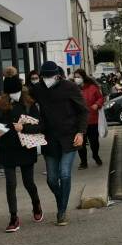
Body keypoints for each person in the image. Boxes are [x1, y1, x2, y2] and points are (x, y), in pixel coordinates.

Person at [28, 61, 88, 226]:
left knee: (65, 174)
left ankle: (61, 211)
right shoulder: (38, 89)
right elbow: (24, 98)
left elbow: (83, 111)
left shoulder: (70, 87)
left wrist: (81, 132)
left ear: (57, 75)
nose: (46, 79)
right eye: (44, 76)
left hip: (70, 138)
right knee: (52, 179)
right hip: (50, 140)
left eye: (49, 76)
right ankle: (62, 200)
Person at [0, 76, 43, 232]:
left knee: (28, 182)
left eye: (15, 92)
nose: (12, 95)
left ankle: (36, 204)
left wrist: (23, 128)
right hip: (7, 148)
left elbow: (38, 126)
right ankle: (13, 217)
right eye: (9, 92)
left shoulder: (29, 103)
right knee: (10, 184)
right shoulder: (1, 103)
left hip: (25, 147)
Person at [73, 69, 105, 169]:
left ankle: (95, 155)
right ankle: (83, 162)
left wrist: (97, 104)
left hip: (92, 120)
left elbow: (100, 98)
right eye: (75, 77)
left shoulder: (92, 87)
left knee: (94, 142)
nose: (76, 79)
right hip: (79, 121)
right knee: (80, 143)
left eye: (78, 77)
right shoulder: (73, 89)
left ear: (83, 77)